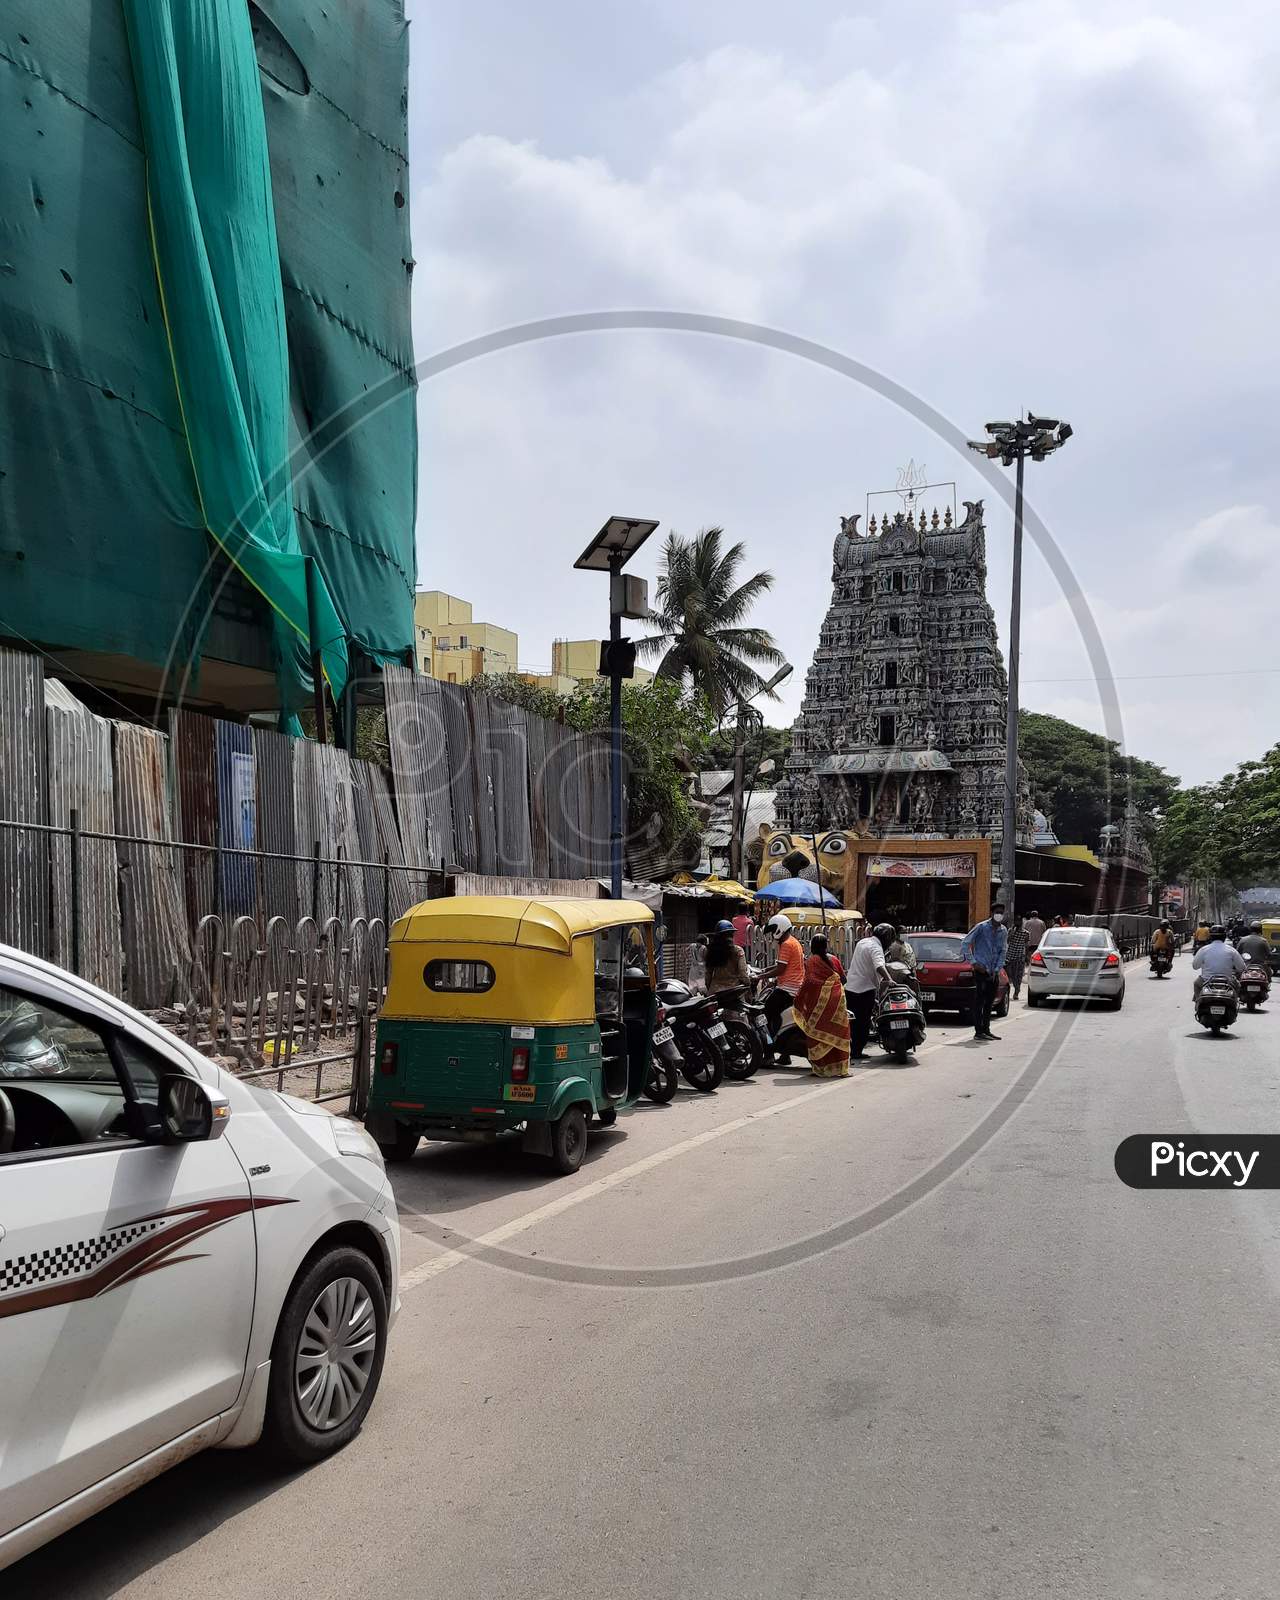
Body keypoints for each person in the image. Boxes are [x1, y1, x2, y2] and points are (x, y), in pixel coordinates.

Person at [793, 934, 851, 1077]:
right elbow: (843, 980)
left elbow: (808, 983)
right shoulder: (834, 959)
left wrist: (799, 998)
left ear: (812, 946)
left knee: (817, 1034)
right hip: (837, 1002)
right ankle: (842, 1069)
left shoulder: (811, 961)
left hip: (817, 1004)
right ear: (826, 946)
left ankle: (821, 1069)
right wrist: (831, 989)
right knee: (837, 1032)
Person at [959, 902, 1008, 1041]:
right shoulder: (981, 927)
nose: (999, 915)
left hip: (994, 971)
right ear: (992, 913)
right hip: (981, 970)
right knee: (979, 1002)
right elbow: (965, 943)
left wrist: (998, 969)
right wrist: (974, 963)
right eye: (997, 912)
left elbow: (1003, 951)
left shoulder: (1003, 930)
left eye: (1001, 912)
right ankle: (978, 1031)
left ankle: (986, 1029)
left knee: (990, 1002)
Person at [762, 913, 806, 1064]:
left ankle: (768, 1055)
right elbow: (784, 965)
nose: (772, 933)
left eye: (773, 929)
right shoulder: (793, 942)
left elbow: (781, 969)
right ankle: (785, 1055)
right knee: (778, 1018)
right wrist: (765, 971)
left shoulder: (786, 944)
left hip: (787, 989)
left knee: (764, 1018)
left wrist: (760, 977)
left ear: (779, 928)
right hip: (795, 988)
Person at [846, 921, 893, 1061]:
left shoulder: (863, 942)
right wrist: (889, 979)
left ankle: (851, 1050)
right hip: (864, 990)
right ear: (886, 938)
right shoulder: (876, 948)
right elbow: (879, 966)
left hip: (850, 987)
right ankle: (856, 1051)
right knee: (863, 1023)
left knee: (852, 1022)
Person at [1192, 925, 1245, 1000]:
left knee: (1196, 984)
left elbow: (1195, 966)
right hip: (1227, 982)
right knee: (1238, 985)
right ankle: (1234, 1003)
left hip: (1206, 981)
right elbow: (1242, 967)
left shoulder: (1204, 949)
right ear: (1224, 937)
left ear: (1210, 937)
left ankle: (1198, 1003)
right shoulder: (1231, 950)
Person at [705, 919, 750, 994]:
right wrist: (748, 984)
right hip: (733, 992)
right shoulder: (738, 951)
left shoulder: (711, 951)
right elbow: (743, 973)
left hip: (715, 992)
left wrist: (709, 991)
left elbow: (708, 975)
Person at [1004, 914, 1028, 1000]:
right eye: (1016, 922)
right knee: (1012, 975)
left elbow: (1026, 944)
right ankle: (1016, 989)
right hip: (1010, 957)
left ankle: (1016, 992)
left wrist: (1026, 957)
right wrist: (1012, 932)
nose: (1017, 923)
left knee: (1019, 975)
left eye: (1019, 922)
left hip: (1020, 957)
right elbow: (1007, 940)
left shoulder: (1026, 933)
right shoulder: (1010, 931)